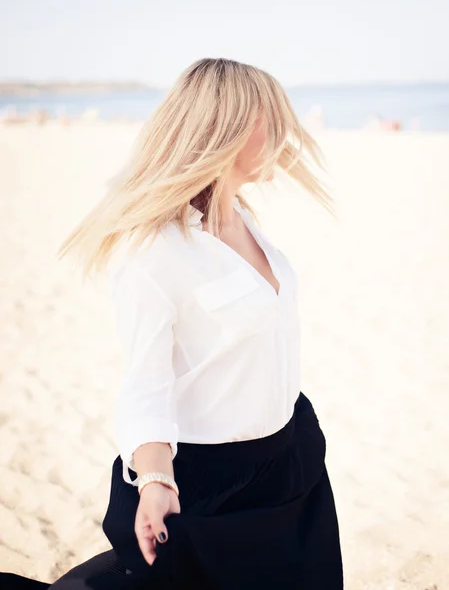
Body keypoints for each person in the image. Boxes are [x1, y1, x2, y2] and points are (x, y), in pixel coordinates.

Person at [1, 57, 344, 589]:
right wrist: (156, 480)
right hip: (214, 487)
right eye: (269, 120)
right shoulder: (154, 251)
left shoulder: (247, 220)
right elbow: (145, 386)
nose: (284, 135)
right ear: (224, 128)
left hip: (291, 457)